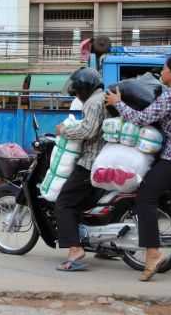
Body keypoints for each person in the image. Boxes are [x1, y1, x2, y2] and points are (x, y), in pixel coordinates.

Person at [105, 54, 171, 282]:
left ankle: (153, 253)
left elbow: (142, 118)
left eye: (164, 68)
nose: (162, 71)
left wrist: (117, 103)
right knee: (166, 196)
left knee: (145, 197)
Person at [54, 67, 108, 272]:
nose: (76, 94)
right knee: (85, 204)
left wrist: (64, 129)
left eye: (77, 91)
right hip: (101, 160)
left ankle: (75, 250)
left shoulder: (94, 102)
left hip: (90, 163)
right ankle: (102, 245)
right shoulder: (101, 99)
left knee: (64, 203)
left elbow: (88, 130)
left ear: (85, 87)